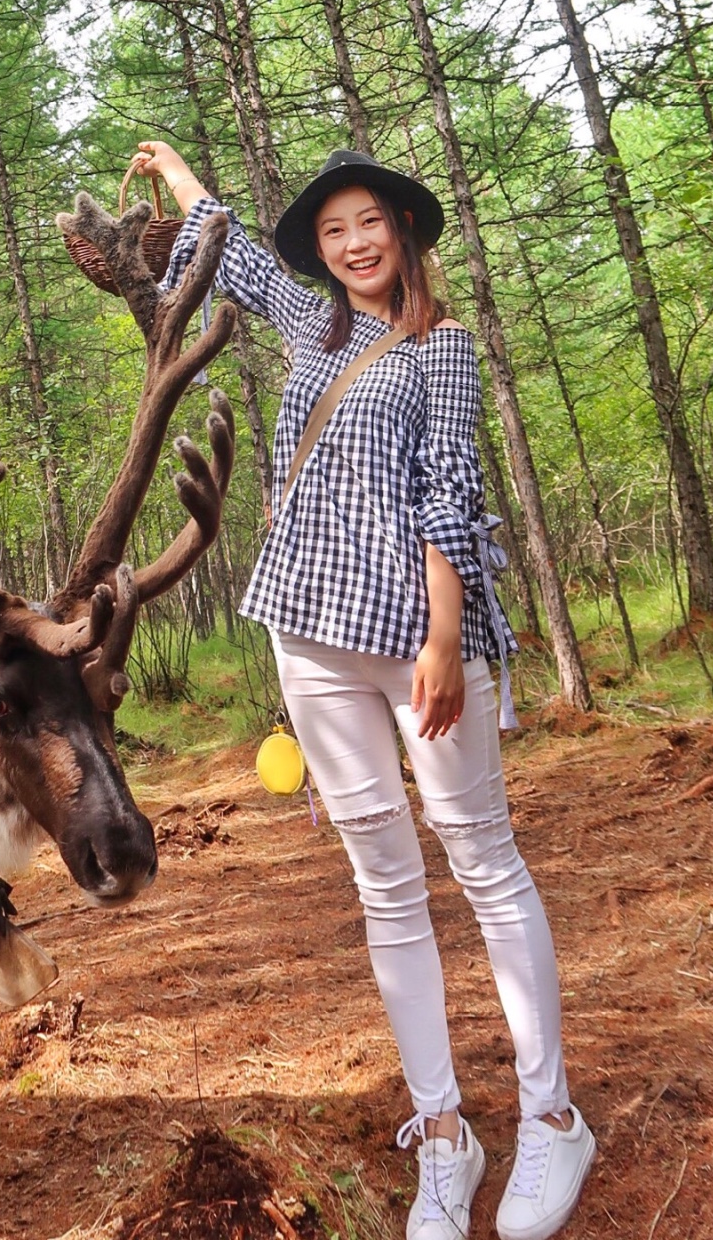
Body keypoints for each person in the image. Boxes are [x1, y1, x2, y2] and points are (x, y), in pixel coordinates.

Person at [134, 140, 596, 1240]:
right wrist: (186, 181)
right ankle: (443, 1130)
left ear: (404, 228)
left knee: (482, 856)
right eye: (335, 229)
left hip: (420, 634)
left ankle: (552, 1114)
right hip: (311, 631)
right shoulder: (317, 325)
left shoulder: (444, 346)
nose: (353, 243)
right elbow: (235, 260)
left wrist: (444, 636)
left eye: (369, 221)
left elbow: (450, 486)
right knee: (385, 879)